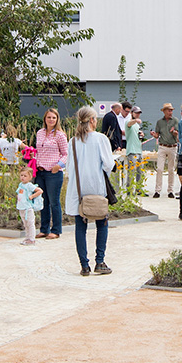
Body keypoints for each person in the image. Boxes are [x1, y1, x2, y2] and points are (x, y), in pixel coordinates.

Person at [65, 105, 117, 276]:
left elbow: (69, 167)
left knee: (80, 227)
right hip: (96, 186)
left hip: (78, 190)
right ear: (93, 120)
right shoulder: (100, 139)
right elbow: (109, 164)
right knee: (102, 223)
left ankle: (84, 265)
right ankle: (100, 261)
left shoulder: (72, 141)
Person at [33, 107, 68, 239]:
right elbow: (39, 150)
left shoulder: (60, 135)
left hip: (53, 172)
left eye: (54, 118)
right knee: (43, 201)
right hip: (40, 171)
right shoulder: (40, 133)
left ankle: (56, 230)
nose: (51, 120)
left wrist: (58, 165)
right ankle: (44, 229)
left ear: (57, 119)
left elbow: (66, 154)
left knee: (54, 201)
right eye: (49, 117)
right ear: (45, 119)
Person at [153, 102, 179, 199]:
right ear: (164, 111)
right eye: (169, 110)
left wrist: (174, 132)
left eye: (171, 110)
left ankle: (170, 190)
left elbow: (177, 134)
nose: (170, 112)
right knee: (159, 169)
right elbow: (157, 134)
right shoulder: (159, 122)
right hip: (162, 146)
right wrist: (154, 134)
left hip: (172, 146)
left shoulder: (175, 120)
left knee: (171, 169)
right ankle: (157, 190)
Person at [15, 165, 42, 245]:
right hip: (21, 207)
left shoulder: (29, 185)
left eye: (25, 176)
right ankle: (27, 237)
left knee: (30, 223)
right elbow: (18, 192)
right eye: (21, 175)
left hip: (28, 208)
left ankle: (32, 239)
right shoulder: (21, 185)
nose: (23, 177)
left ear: (30, 177)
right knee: (25, 224)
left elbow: (40, 191)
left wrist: (32, 196)